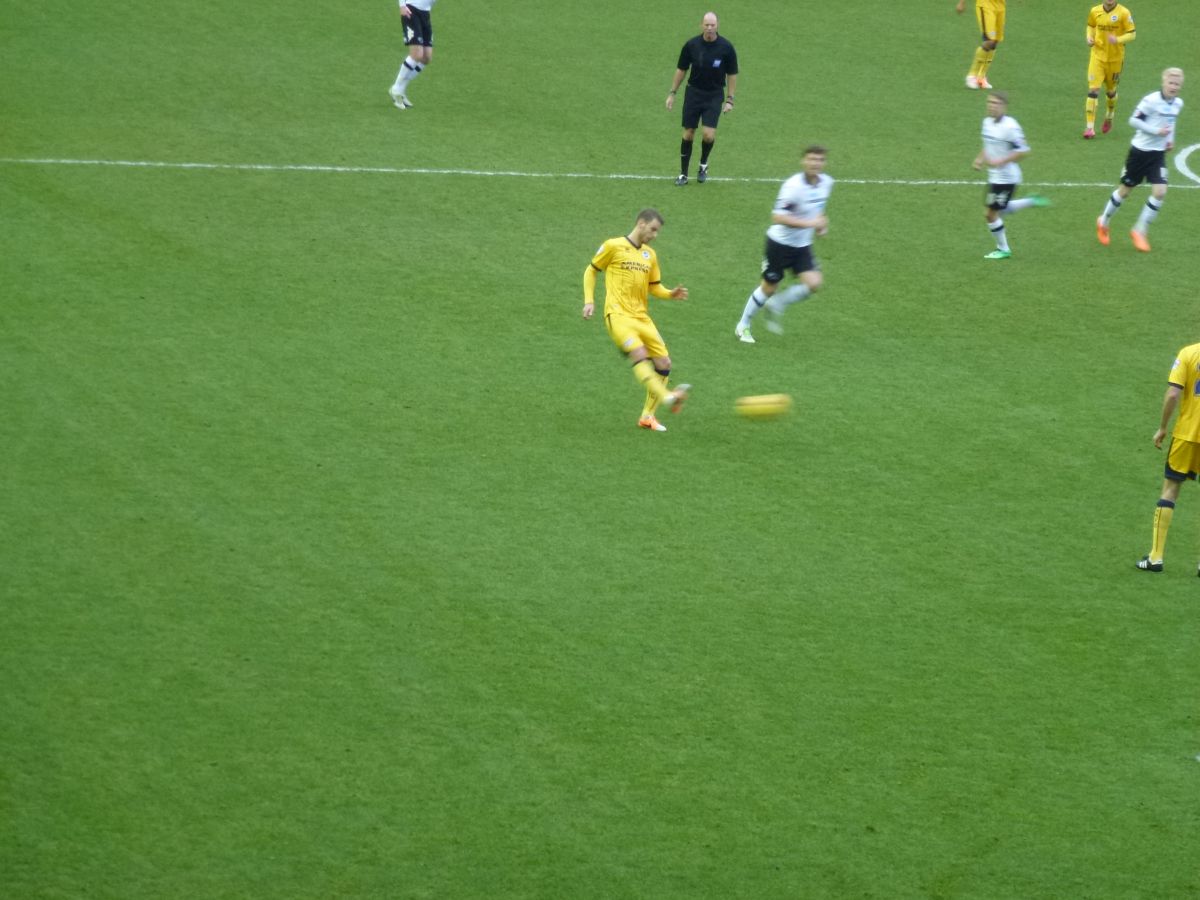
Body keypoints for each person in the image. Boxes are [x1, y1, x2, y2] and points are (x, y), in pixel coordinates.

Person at [583, 210, 691, 432]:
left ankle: (647, 417)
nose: (655, 235)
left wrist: (671, 293)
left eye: (657, 231)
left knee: (664, 364)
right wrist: (589, 301)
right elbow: (591, 271)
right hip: (618, 316)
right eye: (653, 229)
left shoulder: (649, 255)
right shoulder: (613, 246)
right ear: (641, 224)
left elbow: (654, 287)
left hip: (642, 318)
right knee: (639, 354)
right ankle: (668, 398)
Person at [734, 146, 832, 344]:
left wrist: (821, 225)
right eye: (811, 159)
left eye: (819, 160)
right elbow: (777, 217)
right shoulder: (793, 186)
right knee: (769, 287)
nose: (815, 163)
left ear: (824, 163)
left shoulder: (827, 183)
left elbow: (818, 208)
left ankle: (778, 304)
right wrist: (810, 224)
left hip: (802, 246)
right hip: (779, 244)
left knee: (814, 283)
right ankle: (743, 325)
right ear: (803, 161)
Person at [1096, 67, 1185, 253]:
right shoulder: (1151, 101)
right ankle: (1103, 221)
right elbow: (1133, 121)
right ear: (1164, 82)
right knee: (1125, 191)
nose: (1173, 86)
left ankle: (1140, 230)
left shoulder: (1177, 103)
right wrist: (1156, 132)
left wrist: (1169, 140)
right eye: (1171, 82)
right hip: (1139, 152)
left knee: (1160, 191)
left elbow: (1171, 122)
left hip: (1157, 155)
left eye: (1177, 84)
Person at [1135, 340, 1200, 574]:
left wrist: (1162, 427)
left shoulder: (1189, 353)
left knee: (1170, 489)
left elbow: (1173, 394)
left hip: (1187, 435)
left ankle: (1156, 557)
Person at [972, 91, 1049, 261]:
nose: (991, 106)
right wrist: (979, 159)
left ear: (1004, 107)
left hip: (1007, 178)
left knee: (990, 214)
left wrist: (1002, 161)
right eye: (989, 102)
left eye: (996, 103)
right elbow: (988, 145)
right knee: (1000, 209)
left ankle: (1003, 249)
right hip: (995, 177)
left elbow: (1024, 150)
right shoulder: (986, 123)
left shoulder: (1011, 127)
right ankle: (1031, 201)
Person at [666, 12, 739, 186]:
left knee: (708, 135)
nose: (709, 28)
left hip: (714, 95)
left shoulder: (726, 48)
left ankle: (703, 165)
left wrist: (730, 99)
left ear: (717, 25)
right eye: (706, 25)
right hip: (694, 93)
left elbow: (732, 74)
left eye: (712, 25)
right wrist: (672, 93)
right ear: (701, 25)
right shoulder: (691, 45)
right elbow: (681, 70)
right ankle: (683, 174)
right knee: (689, 132)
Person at [1083, 0, 1137, 139]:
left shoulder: (1124, 13)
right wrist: (1089, 37)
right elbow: (1090, 26)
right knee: (1093, 90)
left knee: (1111, 92)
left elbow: (1132, 33)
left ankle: (1109, 115)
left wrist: (1118, 39)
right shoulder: (1095, 11)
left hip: (1115, 60)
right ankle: (1089, 128)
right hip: (1097, 57)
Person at [389, 0, 438, 110]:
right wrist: (402, 5)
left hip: (425, 13)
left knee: (426, 57)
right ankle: (396, 88)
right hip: (411, 10)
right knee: (417, 54)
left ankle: (401, 90)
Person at [956, 0, 1005, 90]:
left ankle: (981, 77)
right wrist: (961, 2)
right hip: (986, 5)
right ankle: (971, 76)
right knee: (989, 40)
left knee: (994, 42)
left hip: (1000, 6)